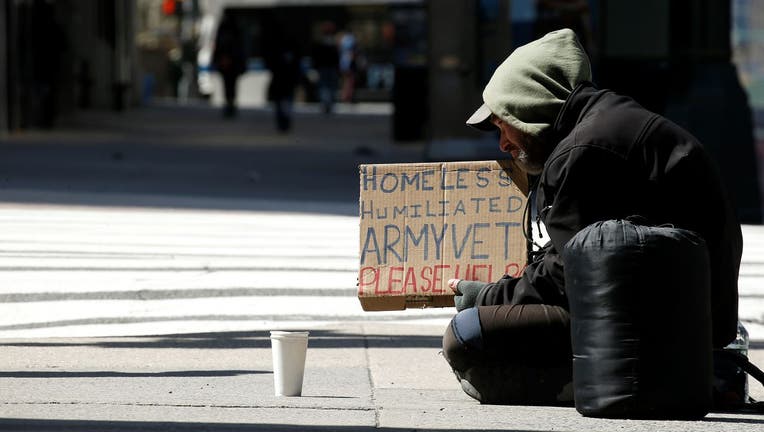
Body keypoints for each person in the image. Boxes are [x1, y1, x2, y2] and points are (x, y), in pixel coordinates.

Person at [442, 28, 742, 405]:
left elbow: (568, 277)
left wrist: (487, 295)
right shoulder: (609, 123)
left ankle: (595, 383)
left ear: (529, 103)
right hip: (686, 317)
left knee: (466, 334)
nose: (502, 143)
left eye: (504, 124)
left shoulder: (585, 150)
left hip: (655, 325)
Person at [213, 12, 246, 118]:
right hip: (230, 64)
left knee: (228, 86)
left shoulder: (225, 31)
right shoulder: (234, 31)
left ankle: (229, 105)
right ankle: (230, 105)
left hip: (228, 64)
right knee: (231, 86)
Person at [311, 22, 340, 114]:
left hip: (325, 68)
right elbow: (336, 57)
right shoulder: (332, 43)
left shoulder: (323, 43)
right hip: (328, 68)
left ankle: (326, 105)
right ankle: (328, 105)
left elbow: (316, 57)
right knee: (329, 87)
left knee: (325, 87)